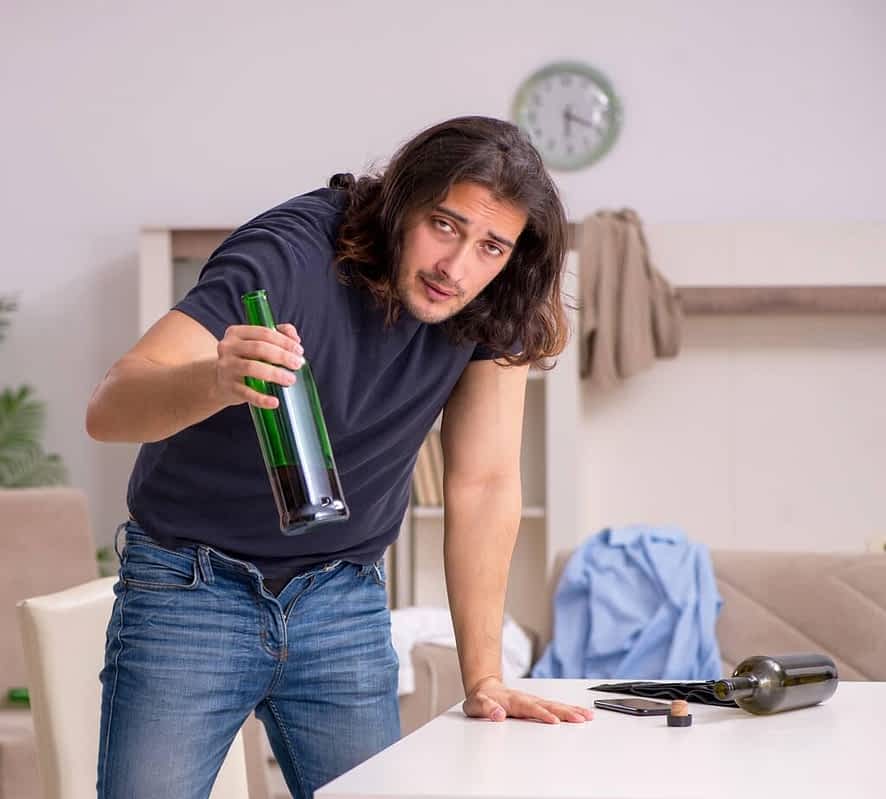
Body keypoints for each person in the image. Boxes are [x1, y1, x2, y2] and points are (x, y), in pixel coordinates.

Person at [85, 115, 593, 799]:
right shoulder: (287, 254)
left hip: (340, 600)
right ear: (402, 201)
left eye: (490, 246)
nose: (457, 267)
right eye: (444, 225)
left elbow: (485, 480)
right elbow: (110, 406)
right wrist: (213, 379)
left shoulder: (493, 299)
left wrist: (485, 679)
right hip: (189, 590)